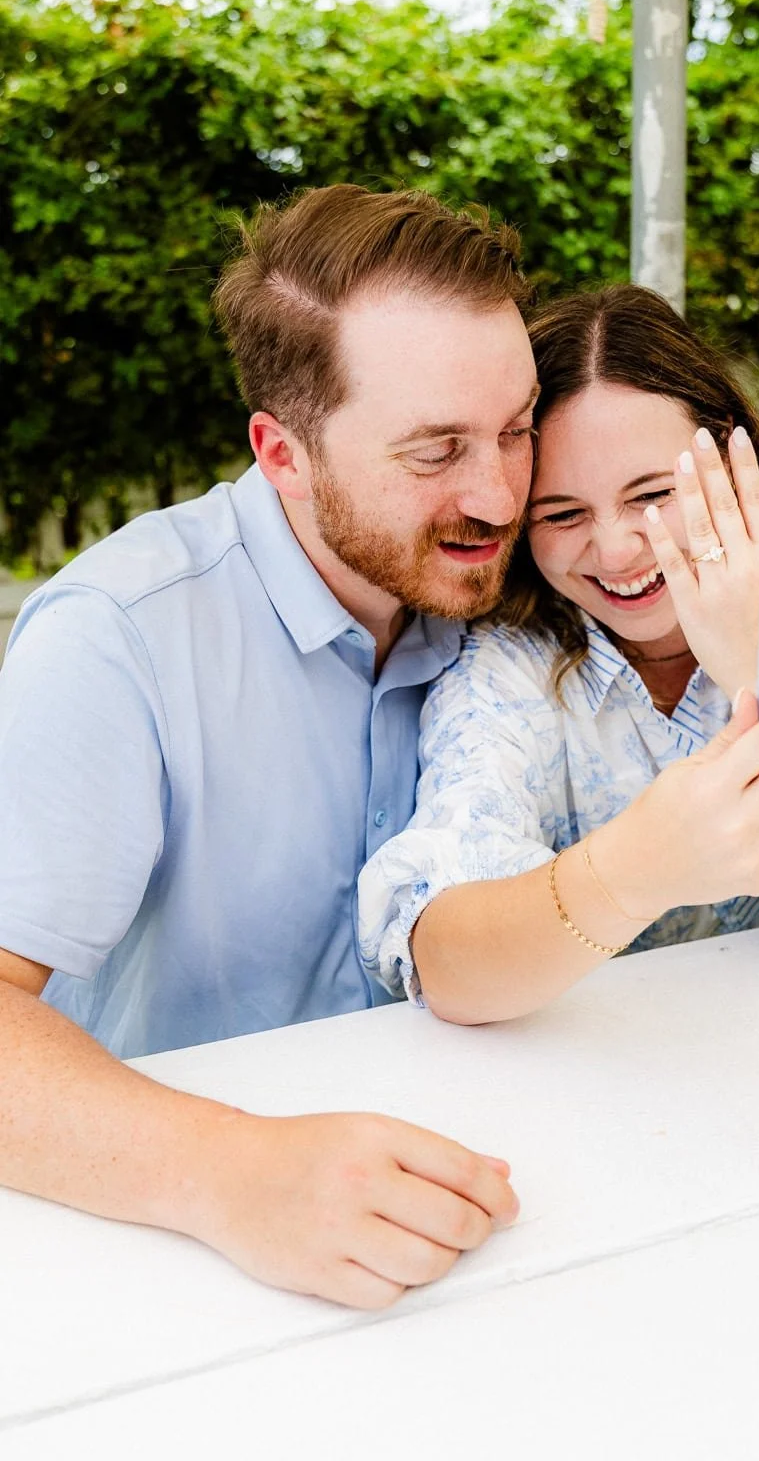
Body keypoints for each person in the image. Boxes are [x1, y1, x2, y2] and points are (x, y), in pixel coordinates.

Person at [0, 183, 537, 1309]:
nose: (498, 491)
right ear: (281, 453)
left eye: (517, 428)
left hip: (490, 1215)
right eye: (435, 448)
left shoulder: (519, 596)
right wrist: (227, 1169)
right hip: (178, 1260)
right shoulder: (119, 639)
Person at [359, 285, 759, 1025]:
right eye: (561, 513)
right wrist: (638, 868)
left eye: (652, 494)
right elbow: (448, 966)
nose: (617, 550)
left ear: (727, 453)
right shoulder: (507, 651)